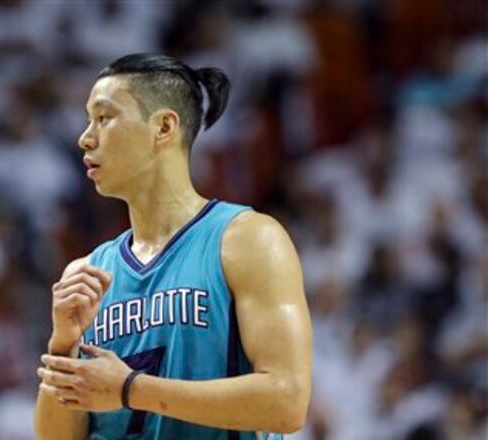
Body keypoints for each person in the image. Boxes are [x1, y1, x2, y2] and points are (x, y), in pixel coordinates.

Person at [34, 53, 312, 440]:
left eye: (104, 117)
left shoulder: (247, 239)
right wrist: (63, 346)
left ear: (164, 126)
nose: (85, 137)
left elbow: (286, 401)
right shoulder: (88, 270)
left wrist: (130, 389)